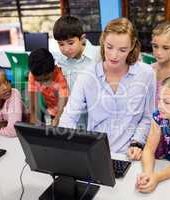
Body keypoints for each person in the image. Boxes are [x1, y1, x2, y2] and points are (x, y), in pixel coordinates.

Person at [59, 18, 155, 160]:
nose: (114, 55)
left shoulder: (146, 74)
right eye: (109, 47)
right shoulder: (87, 76)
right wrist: (64, 145)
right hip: (95, 154)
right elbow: (69, 117)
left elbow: (148, 117)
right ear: (103, 41)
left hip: (130, 156)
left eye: (122, 50)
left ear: (132, 45)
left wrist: (137, 142)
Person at [53, 15, 101, 90]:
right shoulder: (60, 61)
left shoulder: (99, 55)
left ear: (82, 39)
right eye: (61, 44)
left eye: (71, 43)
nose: (66, 49)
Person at [28, 48, 69, 126]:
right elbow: (33, 108)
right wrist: (32, 126)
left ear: (53, 70)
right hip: (51, 111)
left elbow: (62, 107)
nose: (43, 84)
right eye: (39, 80)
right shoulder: (33, 75)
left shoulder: (61, 76)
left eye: (46, 79)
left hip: (66, 112)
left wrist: (57, 119)